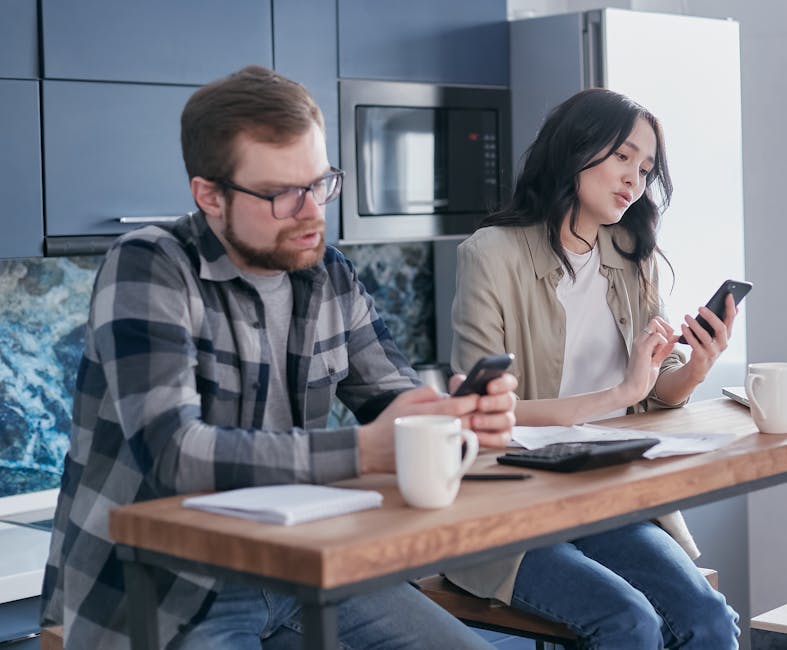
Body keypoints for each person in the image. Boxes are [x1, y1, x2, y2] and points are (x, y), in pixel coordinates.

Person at [40, 65, 517, 650]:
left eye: (319, 183)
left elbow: (396, 399)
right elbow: (173, 453)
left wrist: (453, 418)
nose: (311, 211)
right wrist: (367, 448)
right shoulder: (149, 265)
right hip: (169, 584)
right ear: (209, 196)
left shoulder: (328, 273)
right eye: (281, 194)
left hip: (302, 561)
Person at [446, 87, 741, 648]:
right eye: (623, 156)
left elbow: (656, 392)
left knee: (706, 618)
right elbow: (480, 415)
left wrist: (697, 366)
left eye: (646, 167)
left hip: (608, 496)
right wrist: (621, 391)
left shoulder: (633, 252)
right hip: (512, 509)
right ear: (576, 150)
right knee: (629, 622)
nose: (635, 178)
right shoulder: (491, 254)